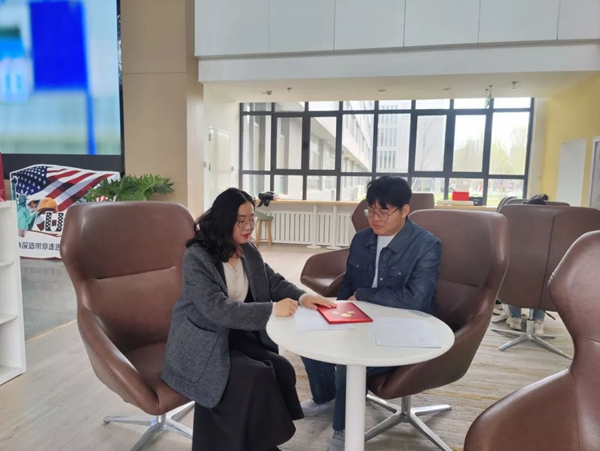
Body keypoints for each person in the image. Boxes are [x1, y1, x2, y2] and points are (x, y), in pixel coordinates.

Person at [161, 188, 334, 451]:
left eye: (251, 219)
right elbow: (216, 310)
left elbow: (272, 282)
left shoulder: (247, 249)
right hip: (202, 342)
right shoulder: (197, 257)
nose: (248, 226)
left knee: (281, 368)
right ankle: (261, 446)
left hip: (236, 335)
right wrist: (271, 310)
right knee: (255, 376)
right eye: (240, 220)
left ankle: (259, 444)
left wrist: (302, 297)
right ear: (223, 220)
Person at [300, 176, 442, 451]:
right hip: (360, 317)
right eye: (371, 211)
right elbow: (349, 283)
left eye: (384, 212)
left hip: (404, 325)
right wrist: (337, 313)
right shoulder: (362, 238)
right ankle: (326, 398)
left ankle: (343, 430)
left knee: (348, 362)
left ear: (405, 210)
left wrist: (364, 296)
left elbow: (416, 298)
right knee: (309, 334)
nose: (375, 219)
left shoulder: (426, 245)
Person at [506, 195, 549, 334]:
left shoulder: (516, 226)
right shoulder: (554, 229)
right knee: (543, 285)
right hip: (545, 270)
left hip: (519, 270)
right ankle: (538, 321)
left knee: (513, 278)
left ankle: (515, 318)